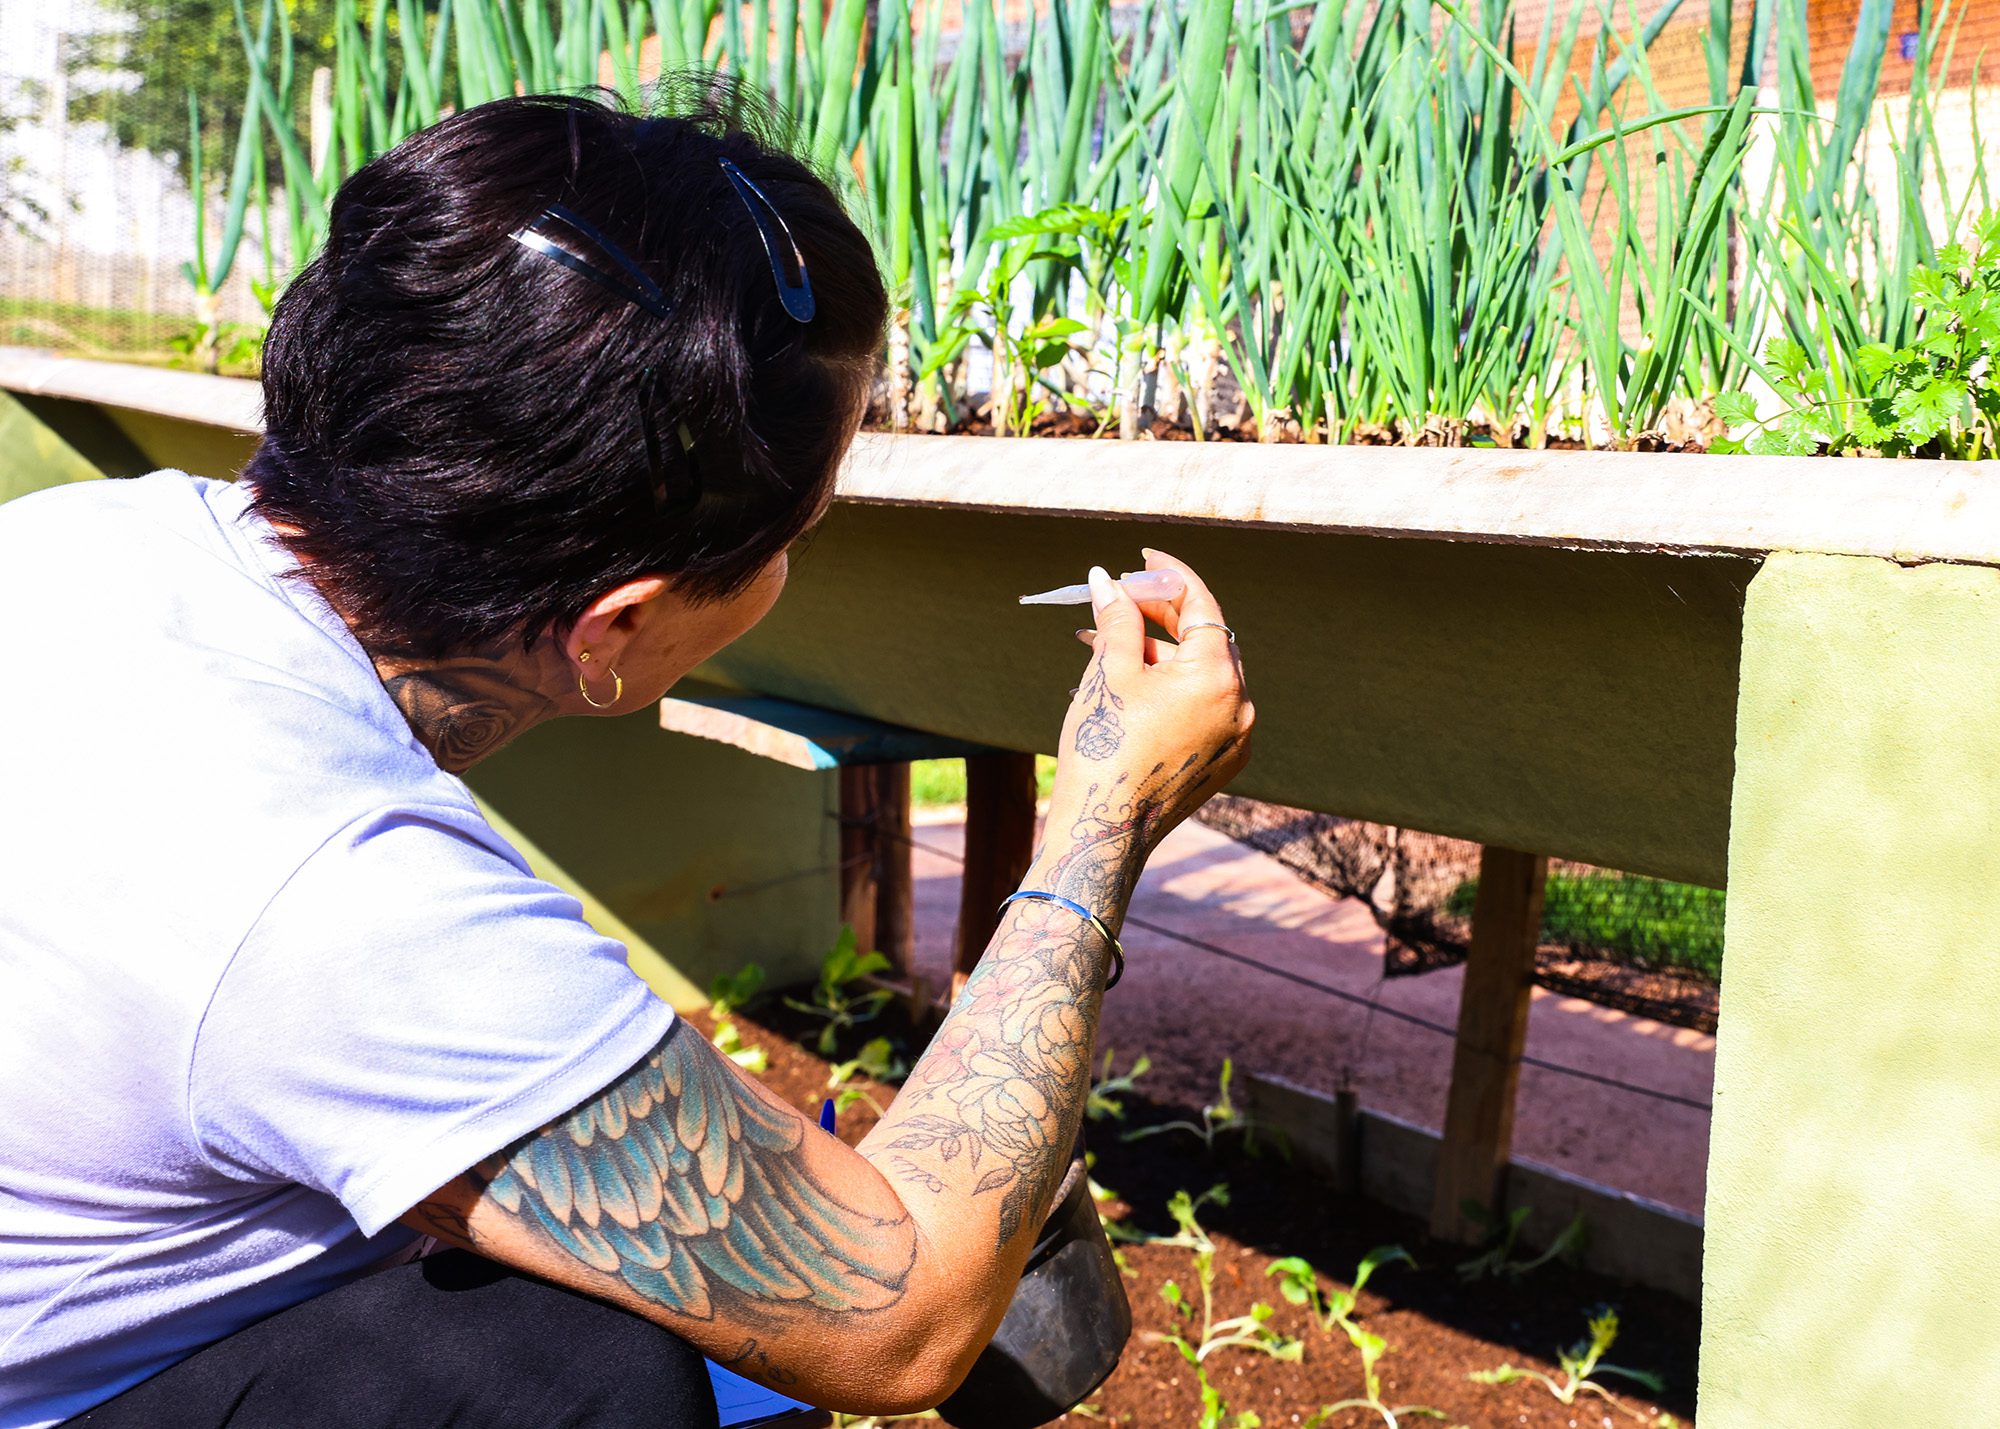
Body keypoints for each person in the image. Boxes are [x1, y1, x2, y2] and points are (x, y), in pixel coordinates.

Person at [0, 87, 1253, 1429]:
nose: (792, 561)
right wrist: (1103, 817)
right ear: (621, 625)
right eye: (798, 533)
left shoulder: (84, 542)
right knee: (573, 1370)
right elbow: (907, 1320)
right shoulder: (344, 905)